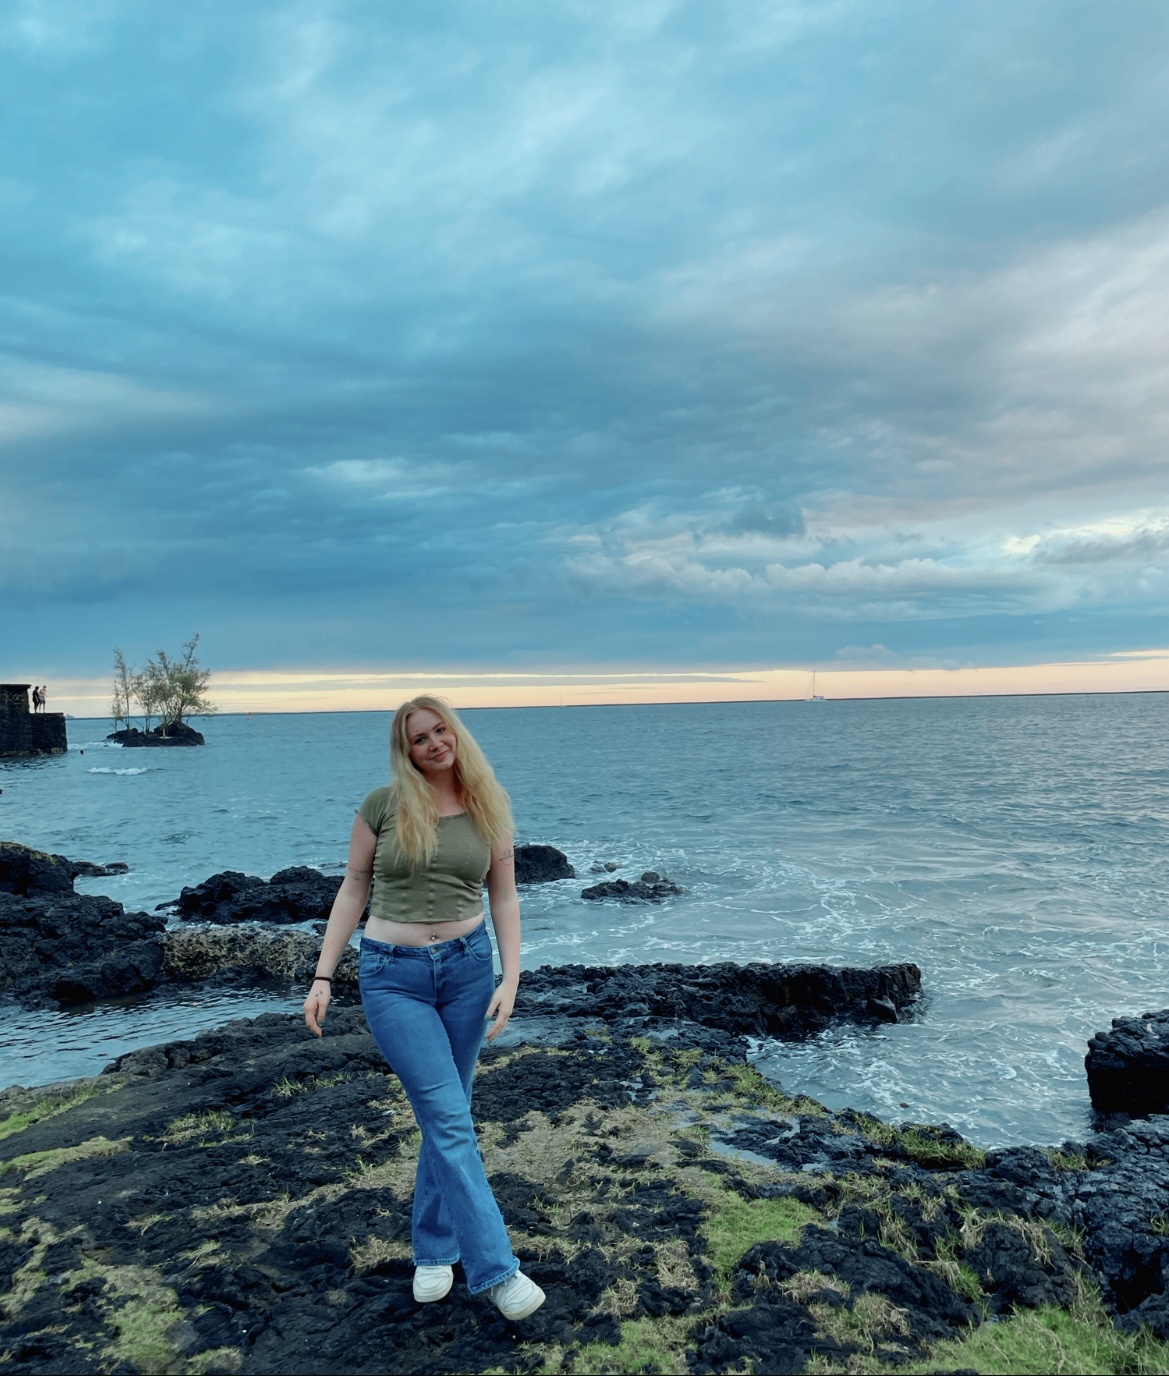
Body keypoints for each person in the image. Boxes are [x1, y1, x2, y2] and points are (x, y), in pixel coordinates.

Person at [304, 694, 545, 1320]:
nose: (434, 743)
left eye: (441, 731)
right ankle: (496, 1271)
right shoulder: (384, 806)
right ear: (404, 749)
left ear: (455, 733)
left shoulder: (490, 806)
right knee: (448, 1117)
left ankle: (434, 1251)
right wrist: (324, 974)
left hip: (468, 972)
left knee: (449, 1115)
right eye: (419, 738)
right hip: (393, 977)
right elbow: (354, 885)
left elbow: (507, 899)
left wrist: (510, 979)